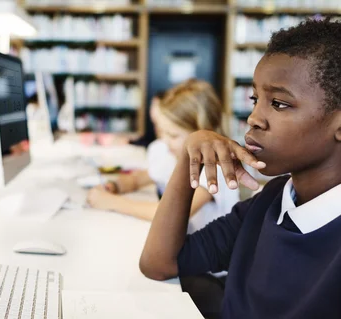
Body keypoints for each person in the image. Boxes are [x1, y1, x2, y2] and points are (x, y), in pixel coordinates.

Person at [140, 19, 341, 318]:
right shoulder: (272, 199)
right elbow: (159, 264)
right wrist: (188, 156)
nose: (254, 118)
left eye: (279, 104)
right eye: (255, 99)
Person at [87, 79, 239, 234]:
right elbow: (138, 179)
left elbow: (169, 215)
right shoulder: (171, 153)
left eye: (173, 135)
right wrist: (115, 186)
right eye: (162, 131)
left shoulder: (215, 169)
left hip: (211, 253)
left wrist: (112, 202)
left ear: (202, 133)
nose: (165, 141)